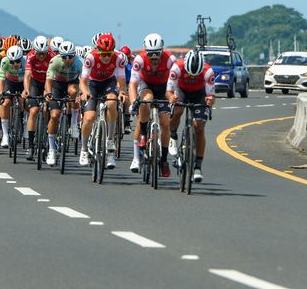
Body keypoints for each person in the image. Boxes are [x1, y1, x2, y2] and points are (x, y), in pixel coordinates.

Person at [128, 33, 176, 176]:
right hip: (146, 85)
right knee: (146, 100)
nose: (154, 57)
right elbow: (132, 84)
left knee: (165, 123)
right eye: (150, 54)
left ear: (162, 51)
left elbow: (177, 82)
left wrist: (174, 97)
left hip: (164, 88)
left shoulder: (170, 60)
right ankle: (140, 146)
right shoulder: (139, 60)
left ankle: (164, 160)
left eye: (157, 54)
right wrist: (133, 103)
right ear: (145, 52)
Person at [166, 49, 216, 183]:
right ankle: (172, 135)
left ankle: (198, 167)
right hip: (181, 91)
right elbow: (169, 91)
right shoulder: (177, 67)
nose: (192, 77)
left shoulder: (208, 72)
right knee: (177, 110)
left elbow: (211, 96)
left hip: (199, 93)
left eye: (196, 75)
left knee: (199, 127)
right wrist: (171, 97)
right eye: (190, 74)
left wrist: (210, 100)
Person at [79, 33, 127, 168]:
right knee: (89, 117)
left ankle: (110, 139)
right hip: (92, 83)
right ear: (98, 51)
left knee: (112, 102)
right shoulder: (90, 57)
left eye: (109, 54)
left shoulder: (118, 58)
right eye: (104, 54)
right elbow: (83, 81)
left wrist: (122, 92)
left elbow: (121, 79)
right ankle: (84, 149)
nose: (106, 57)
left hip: (108, 82)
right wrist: (85, 92)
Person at [43, 40, 81, 166]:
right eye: (64, 57)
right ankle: (51, 150)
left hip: (72, 83)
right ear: (60, 56)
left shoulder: (79, 62)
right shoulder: (54, 61)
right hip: (57, 85)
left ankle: (74, 124)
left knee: (74, 92)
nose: (67, 59)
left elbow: (84, 81)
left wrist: (80, 94)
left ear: (74, 55)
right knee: (54, 116)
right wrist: (49, 93)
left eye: (70, 56)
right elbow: (48, 80)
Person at [22, 36, 55, 161]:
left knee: (46, 107)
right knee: (34, 110)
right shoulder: (30, 56)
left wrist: (49, 92)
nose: (41, 56)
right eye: (39, 53)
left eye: (43, 53)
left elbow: (53, 77)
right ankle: (30, 146)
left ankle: (46, 130)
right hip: (35, 82)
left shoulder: (52, 56)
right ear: (34, 51)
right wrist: (26, 90)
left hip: (48, 82)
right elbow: (27, 76)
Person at [0, 44, 26, 148]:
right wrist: (0, 94)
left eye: (17, 61)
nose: (15, 64)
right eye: (12, 62)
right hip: (10, 82)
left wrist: (25, 91)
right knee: (5, 103)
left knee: (24, 101)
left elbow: (30, 78)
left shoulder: (26, 61)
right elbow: (1, 79)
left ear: (21, 58)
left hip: (23, 82)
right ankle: (5, 135)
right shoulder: (4, 61)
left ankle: (23, 121)